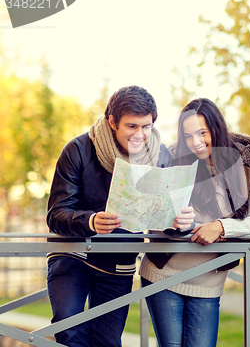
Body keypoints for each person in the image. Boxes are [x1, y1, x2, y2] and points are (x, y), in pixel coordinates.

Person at [46, 85, 195, 347]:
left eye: (146, 126)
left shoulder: (161, 156)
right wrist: (90, 221)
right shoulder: (78, 149)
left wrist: (182, 223)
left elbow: (167, 220)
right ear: (112, 121)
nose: (140, 135)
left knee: (107, 342)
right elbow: (56, 213)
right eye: (132, 126)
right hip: (73, 255)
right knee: (69, 331)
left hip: (119, 261)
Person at [138, 98, 250, 347]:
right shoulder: (174, 158)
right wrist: (173, 222)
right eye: (188, 136)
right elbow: (152, 214)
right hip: (162, 272)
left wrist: (221, 227)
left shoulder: (248, 160)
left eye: (202, 133)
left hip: (208, 279)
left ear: (216, 129)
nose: (196, 143)